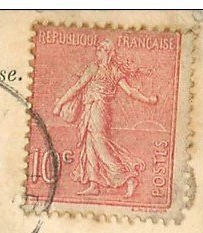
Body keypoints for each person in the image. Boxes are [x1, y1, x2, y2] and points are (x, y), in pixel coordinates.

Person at [53, 39, 158, 198]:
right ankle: (94, 184)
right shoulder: (110, 70)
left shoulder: (97, 69)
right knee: (89, 146)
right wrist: (148, 100)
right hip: (94, 110)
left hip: (98, 110)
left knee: (100, 146)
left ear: (108, 53)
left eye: (101, 49)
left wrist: (60, 103)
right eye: (98, 49)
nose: (98, 51)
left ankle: (128, 178)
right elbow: (130, 91)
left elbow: (77, 87)